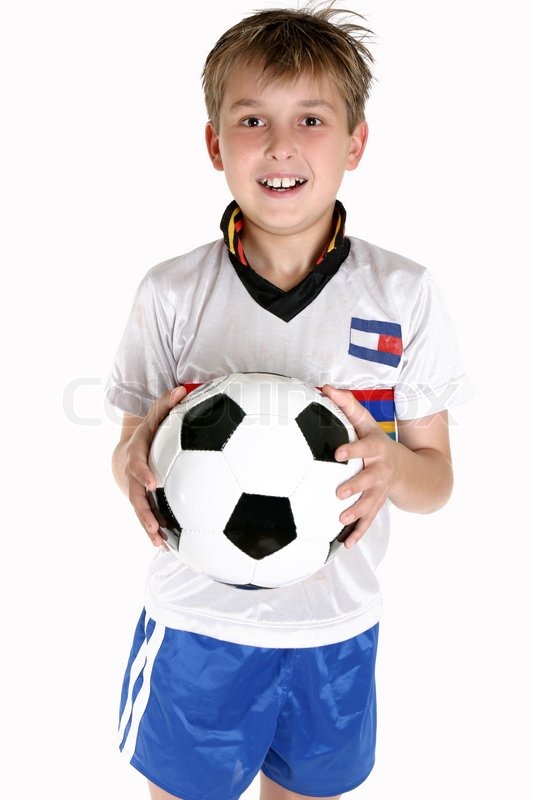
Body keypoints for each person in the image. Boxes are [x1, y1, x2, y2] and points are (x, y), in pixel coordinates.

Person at [107, 3, 471, 799]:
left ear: (354, 142)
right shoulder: (171, 292)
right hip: (199, 629)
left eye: (310, 118)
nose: (279, 145)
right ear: (214, 143)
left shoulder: (402, 292)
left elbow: (435, 481)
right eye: (251, 119)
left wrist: (391, 467)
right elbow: (131, 450)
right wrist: (126, 460)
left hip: (336, 631)